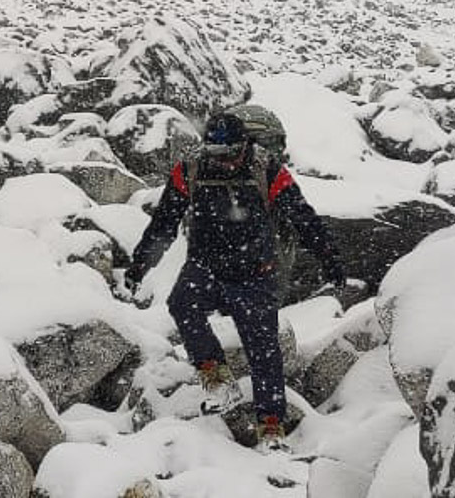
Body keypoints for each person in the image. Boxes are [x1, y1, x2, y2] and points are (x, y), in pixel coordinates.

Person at [124, 109, 346, 452]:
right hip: (206, 265)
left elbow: (302, 215)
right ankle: (216, 377)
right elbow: (165, 221)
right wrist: (140, 265)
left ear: (245, 146)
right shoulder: (192, 168)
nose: (224, 162)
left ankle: (271, 428)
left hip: (254, 272)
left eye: (230, 154)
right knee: (182, 303)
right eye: (216, 154)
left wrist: (329, 257)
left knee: (263, 350)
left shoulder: (265, 167)